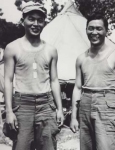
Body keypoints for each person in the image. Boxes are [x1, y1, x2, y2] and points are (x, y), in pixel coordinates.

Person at [4, 2, 64, 150]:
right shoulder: (12, 48)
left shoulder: (51, 50)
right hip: (22, 105)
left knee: (48, 145)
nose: (35, 24)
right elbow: (8, 80)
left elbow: (54, 80)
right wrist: (9, 111)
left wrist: (60, 109)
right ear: (23, 20)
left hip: (46, 105)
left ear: (44, 22)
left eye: (40, 20)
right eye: (31, 19)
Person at [70, 13, 115, 150]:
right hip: (85, 105)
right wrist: (73, 116)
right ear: (86, 30)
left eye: (98, 28)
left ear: (106, 31)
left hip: (107, 105)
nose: (94, 32)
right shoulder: (81, 58)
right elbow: (78, 88)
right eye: (91, 28)